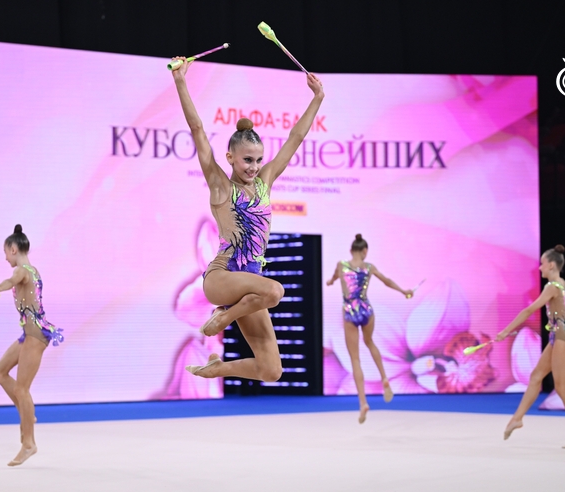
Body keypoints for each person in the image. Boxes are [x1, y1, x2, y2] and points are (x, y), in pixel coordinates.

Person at [169, 55, 324, 382]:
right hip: (223, 276)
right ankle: (221, 318)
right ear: (230, 158)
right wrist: (181, 81)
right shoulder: (221, 186)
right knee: (276, 291)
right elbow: (197, 129)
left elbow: (295, 138)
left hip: (249, 286)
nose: (253, 167)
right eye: (246, 161)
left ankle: (218, 367)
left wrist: (317, 98)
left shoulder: (265, 183)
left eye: (257, 160)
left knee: (272, 370)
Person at [497, 245, 565, 448]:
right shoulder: (560, 283)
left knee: (561, 388)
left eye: (542, 264)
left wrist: (505, 332)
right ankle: (517, 418)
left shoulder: (552, 286)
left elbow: (529, 310)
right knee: (536, 376)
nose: (539, 268)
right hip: (557, 337)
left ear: (552, 265)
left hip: (562, 338)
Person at [0, 224, 64, 466]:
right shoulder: (31, 269)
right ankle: (26, 413)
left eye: (5, 252)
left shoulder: (23, 270)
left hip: (35, 336)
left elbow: (10, 281)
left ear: (13, 249)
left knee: (22, 390)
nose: (5, 257)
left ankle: (29, 444)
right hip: (26, 335)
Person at [325, 234, 413, 423]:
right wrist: (404, 291)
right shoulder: (369, 267)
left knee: (355, 359)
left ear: (351, 251)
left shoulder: (341, 265)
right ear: (365, 251)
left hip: (349, 310)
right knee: (370, 342)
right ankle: (384, 377)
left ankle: (363, 402)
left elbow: (333, 277)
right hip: (366, 309)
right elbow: (387, 280)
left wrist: (332, 282)